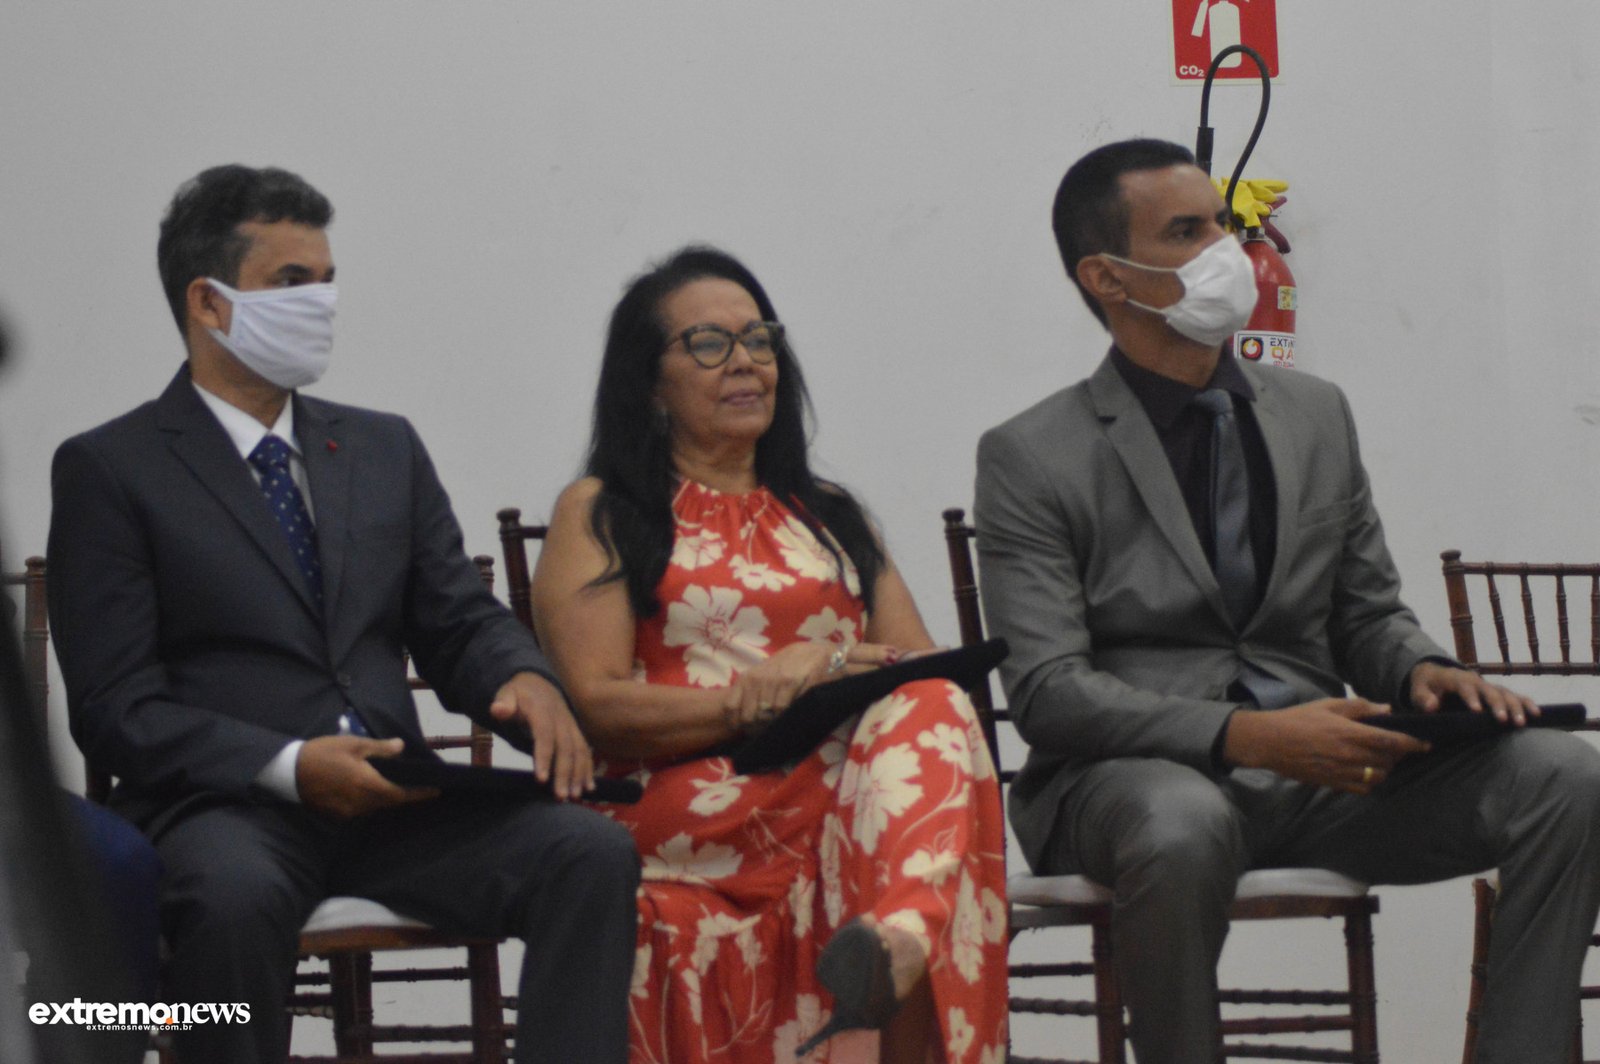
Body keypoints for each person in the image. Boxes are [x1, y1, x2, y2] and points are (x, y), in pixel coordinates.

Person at [973, 137, 1600, 1064]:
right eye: (1186, 232)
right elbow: (1049, 693)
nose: (1225, 251)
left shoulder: (1315, 414)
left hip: (1320, 778)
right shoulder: (1031, 454)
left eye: (1222, 224)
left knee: (1565, 778)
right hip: (1129, 786)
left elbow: (1365, 615)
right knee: (1182, 822)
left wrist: (1423, 673)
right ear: (1107, 277)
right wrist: (1247, 737)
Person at [46, 164, 639, 1064]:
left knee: (588, 853)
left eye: (327, 281)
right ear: (208, 304)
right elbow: (115, 707)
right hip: (228, 812)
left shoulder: (382, 447)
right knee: (231, 899)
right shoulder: (113, 469)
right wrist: (289, 766)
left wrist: (523, 677)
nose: (321, 303)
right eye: (292, 282)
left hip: (396, 805)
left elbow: (458, 620)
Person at [531, 245, 1007, 1063]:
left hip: (842, 804)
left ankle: (896, 937)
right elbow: (596, 706)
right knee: (923, 759)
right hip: (692, 804)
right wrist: (760, 696)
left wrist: (825, 668)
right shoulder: (604, 511)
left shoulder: (829, 514)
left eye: (759, 339)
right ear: (649, 383)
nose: (745, 361)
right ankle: (905, 933)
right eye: (708, 344)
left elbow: (920, 675)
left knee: (934, 703)